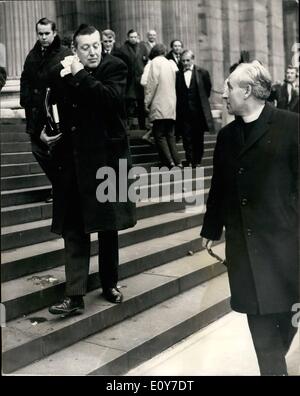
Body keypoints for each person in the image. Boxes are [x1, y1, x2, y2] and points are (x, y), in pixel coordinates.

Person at [201, 61, 299, 376]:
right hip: (245, 248)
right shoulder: (227, 136)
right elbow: (219, 186)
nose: (224, 93)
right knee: (261, 328)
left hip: (284, 248)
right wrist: (211, 227)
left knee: (284, 323)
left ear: (247, 91)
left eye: (229, 87)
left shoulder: (290, 126)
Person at [43, 24, 136, 315]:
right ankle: (75, 296)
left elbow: (109, 100)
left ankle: (110, 283)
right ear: (75, 49)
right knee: (74, 228)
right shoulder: (64, 71)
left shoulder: (116, 67)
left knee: (108, 226)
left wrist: (78, 73)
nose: (94, 51)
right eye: (86, 47)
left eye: (96, 45)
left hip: (109, 161)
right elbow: (45, 100)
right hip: (74, 161)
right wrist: (42, 132)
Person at [20, 18, 72, 202]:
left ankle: (60, 188)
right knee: (38, 150)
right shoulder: (32, 55)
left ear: (54, 33)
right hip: (35, 113)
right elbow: (25, 78)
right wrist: (25, 100)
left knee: (57, 153)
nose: (43, 37)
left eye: (46, 33)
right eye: (40, 33)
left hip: (55, 113)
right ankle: (59, 186)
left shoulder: (64, 54)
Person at [144, 44, 182, 168]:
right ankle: (178, 161)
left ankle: (169, 162)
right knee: (170, 135)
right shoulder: (170, 64)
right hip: (171, 103)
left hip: (159, 102)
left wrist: (146, 102)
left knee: (159, 135)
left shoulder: (155, 63)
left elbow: (151, 84)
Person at [176, 50, 214, 167]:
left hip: (198, 111)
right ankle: (189, 159)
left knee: (198, 136)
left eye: (188, 60)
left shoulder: (202, 72)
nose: (185, 63)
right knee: (186, 137)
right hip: (184, 111)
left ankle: (197, 160)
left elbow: (207, 90)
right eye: (183, 61)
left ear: (192, 59)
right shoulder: (178, 74)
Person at [120, 29, 148, 130]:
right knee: (129, 104)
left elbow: (146, 61)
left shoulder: (142, 47)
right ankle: (128, 125)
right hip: (129, 80)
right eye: (131, 37)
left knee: (141, 104)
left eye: (135, 37)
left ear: (138, 38)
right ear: (128, 38)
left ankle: (142, 125)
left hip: (140, 80)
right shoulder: (122, 49)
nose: (133, 39)